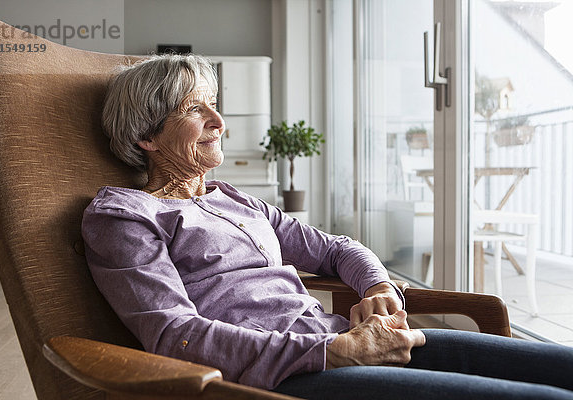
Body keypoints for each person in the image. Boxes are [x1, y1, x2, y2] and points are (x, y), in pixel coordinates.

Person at [82, 54, 573, 400]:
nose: (219, 120)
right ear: (146, 134)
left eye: (214, 104)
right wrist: (332, 352)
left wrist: (377, 285)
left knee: (559, 368)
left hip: (342, 339)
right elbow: (175, 334)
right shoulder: (124, 216)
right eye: (195, 109)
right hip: (282, 378)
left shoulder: (235, 200)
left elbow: (338, 249)